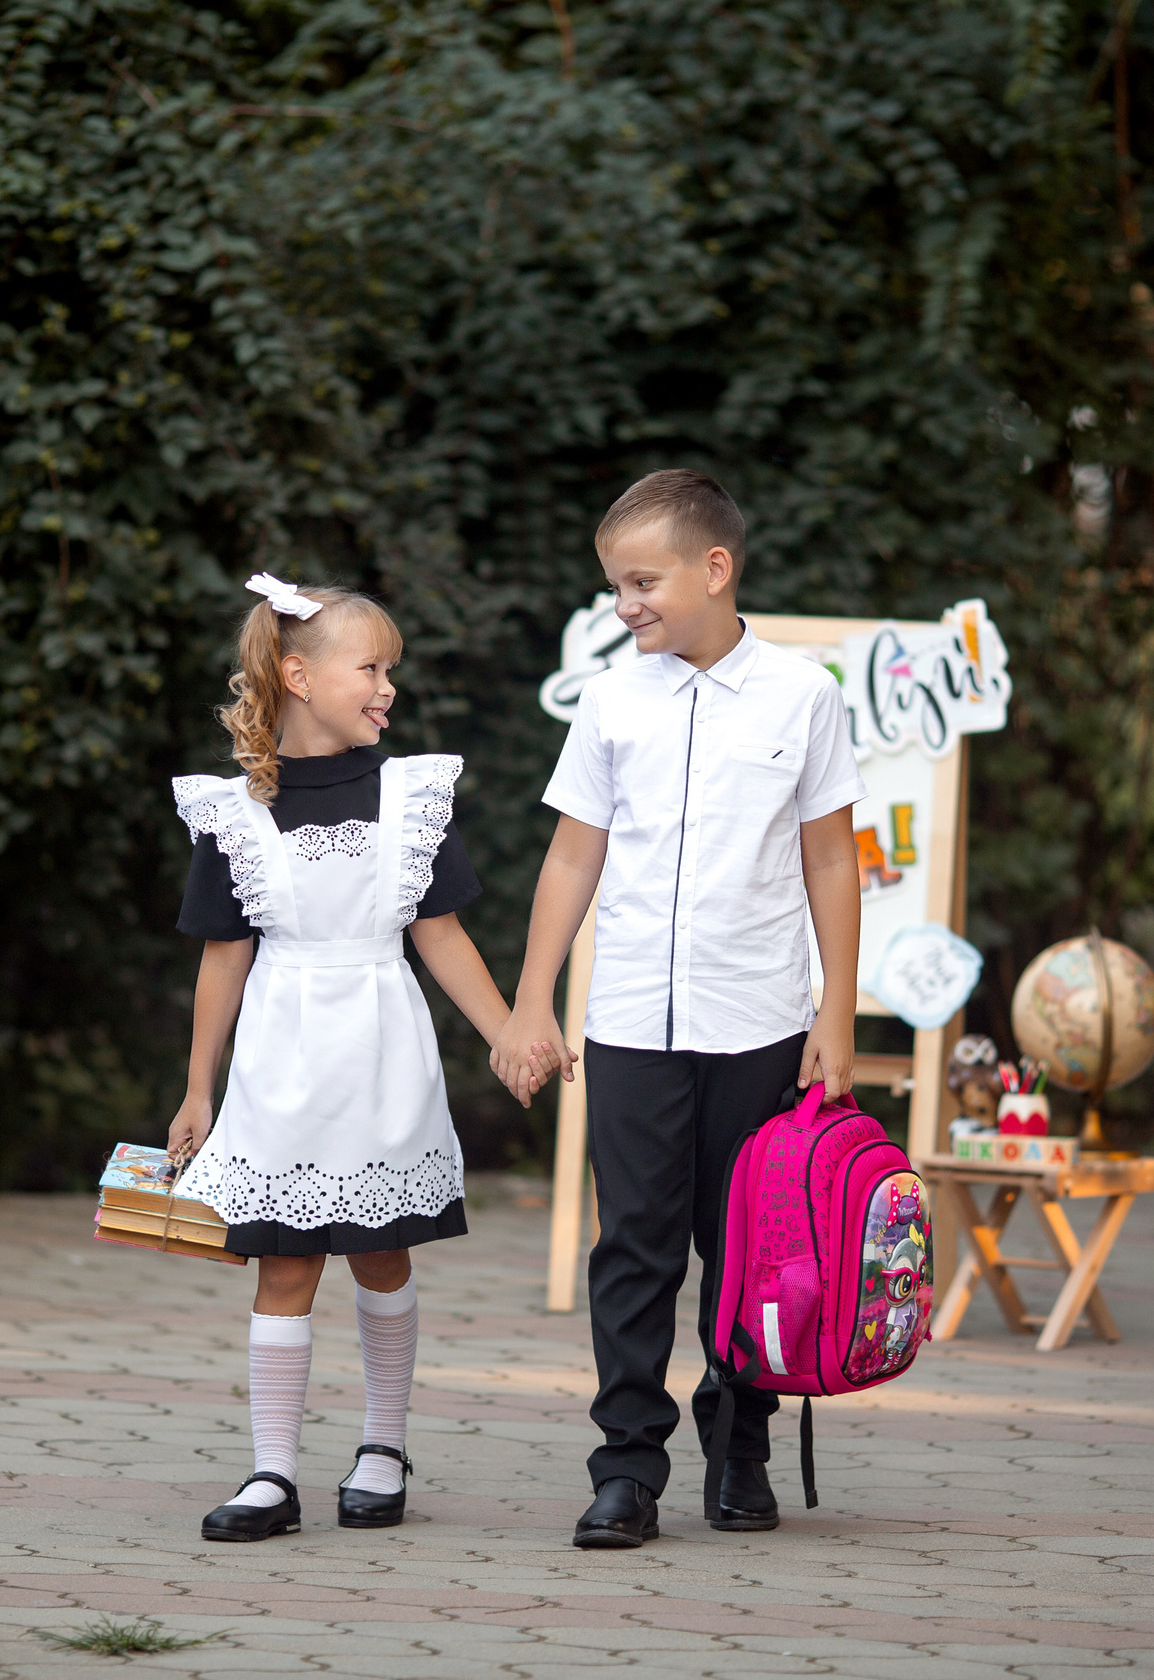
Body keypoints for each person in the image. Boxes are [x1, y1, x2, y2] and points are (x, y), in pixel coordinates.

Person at [490, 470, 864, 1549]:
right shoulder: (612, 701)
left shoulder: (804, 697)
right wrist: (532, 1001)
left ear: (715, 569)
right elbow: (572, 855)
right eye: (613, 586)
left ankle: (739, 1449)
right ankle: (626, 1471)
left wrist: (834, 1015)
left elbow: (830, 861)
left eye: (640, 582)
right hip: (631, 1026)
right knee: (635, 1247)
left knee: (748, 1249)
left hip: (759, 1021)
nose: (624, 606)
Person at [167, 573, 516, 1542]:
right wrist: (198, 1088)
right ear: (298, 676)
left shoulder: (410, 797)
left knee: (380, 1250)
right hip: (281, 1065)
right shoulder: (233, 815)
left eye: (389, 672)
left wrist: (508, 1035)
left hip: (379, 1054)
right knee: (281, 1265)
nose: (387, 689)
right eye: (370, 668)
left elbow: (441, 936)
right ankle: (272, 1473)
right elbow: (222, 961)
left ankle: (380, 1443)